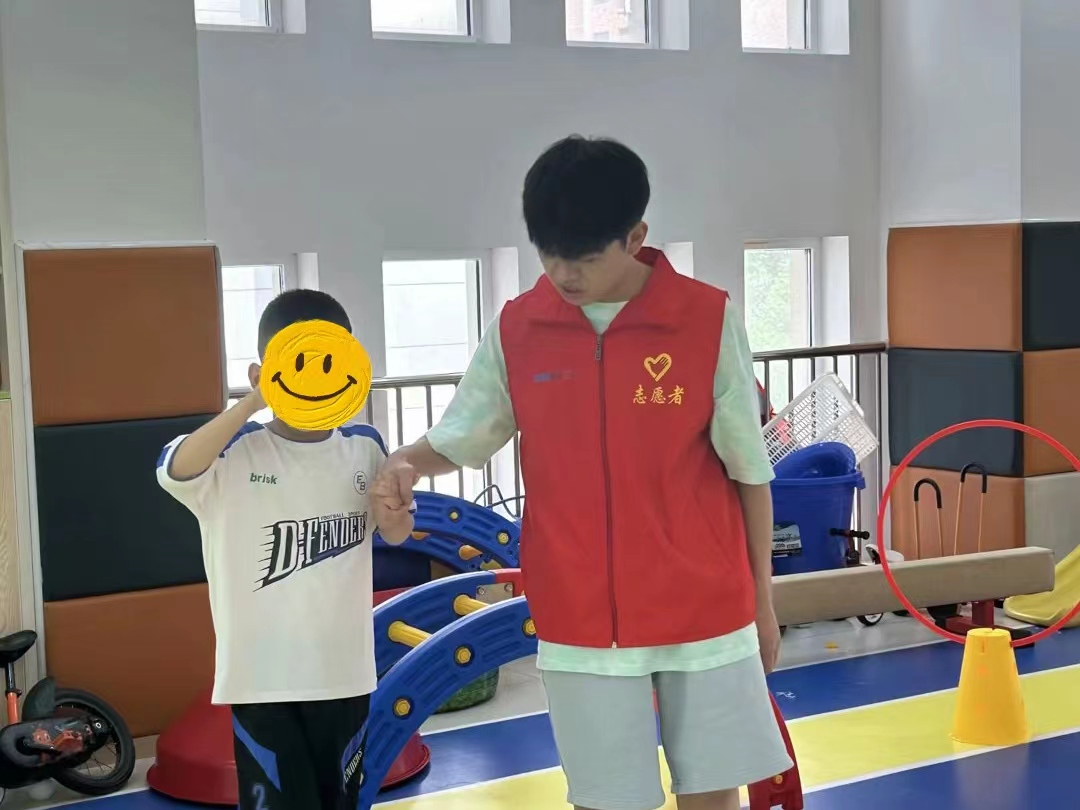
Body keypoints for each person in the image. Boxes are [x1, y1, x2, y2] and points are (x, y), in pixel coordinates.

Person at [372, 135, 792, 810]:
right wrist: (404, 464)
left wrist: (763, 604)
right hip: (578, 613)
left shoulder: (707, 320)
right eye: (549, 254)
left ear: (635, 237)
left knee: (712, 796)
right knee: (606, 800)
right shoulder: (519, 328)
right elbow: (462, 433)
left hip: (705, 607)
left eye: (586, 258)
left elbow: (749, 470)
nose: (564, 274)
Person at [157, 289, 413, 810]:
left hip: (344, 674)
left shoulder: (364, 446)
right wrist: (254, 401)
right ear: (261, 372)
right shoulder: (234, 454)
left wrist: (395, 514)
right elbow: (175, 469)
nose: (315, 376)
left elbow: (396, 534)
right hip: (262, 682)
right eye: (300, 363)